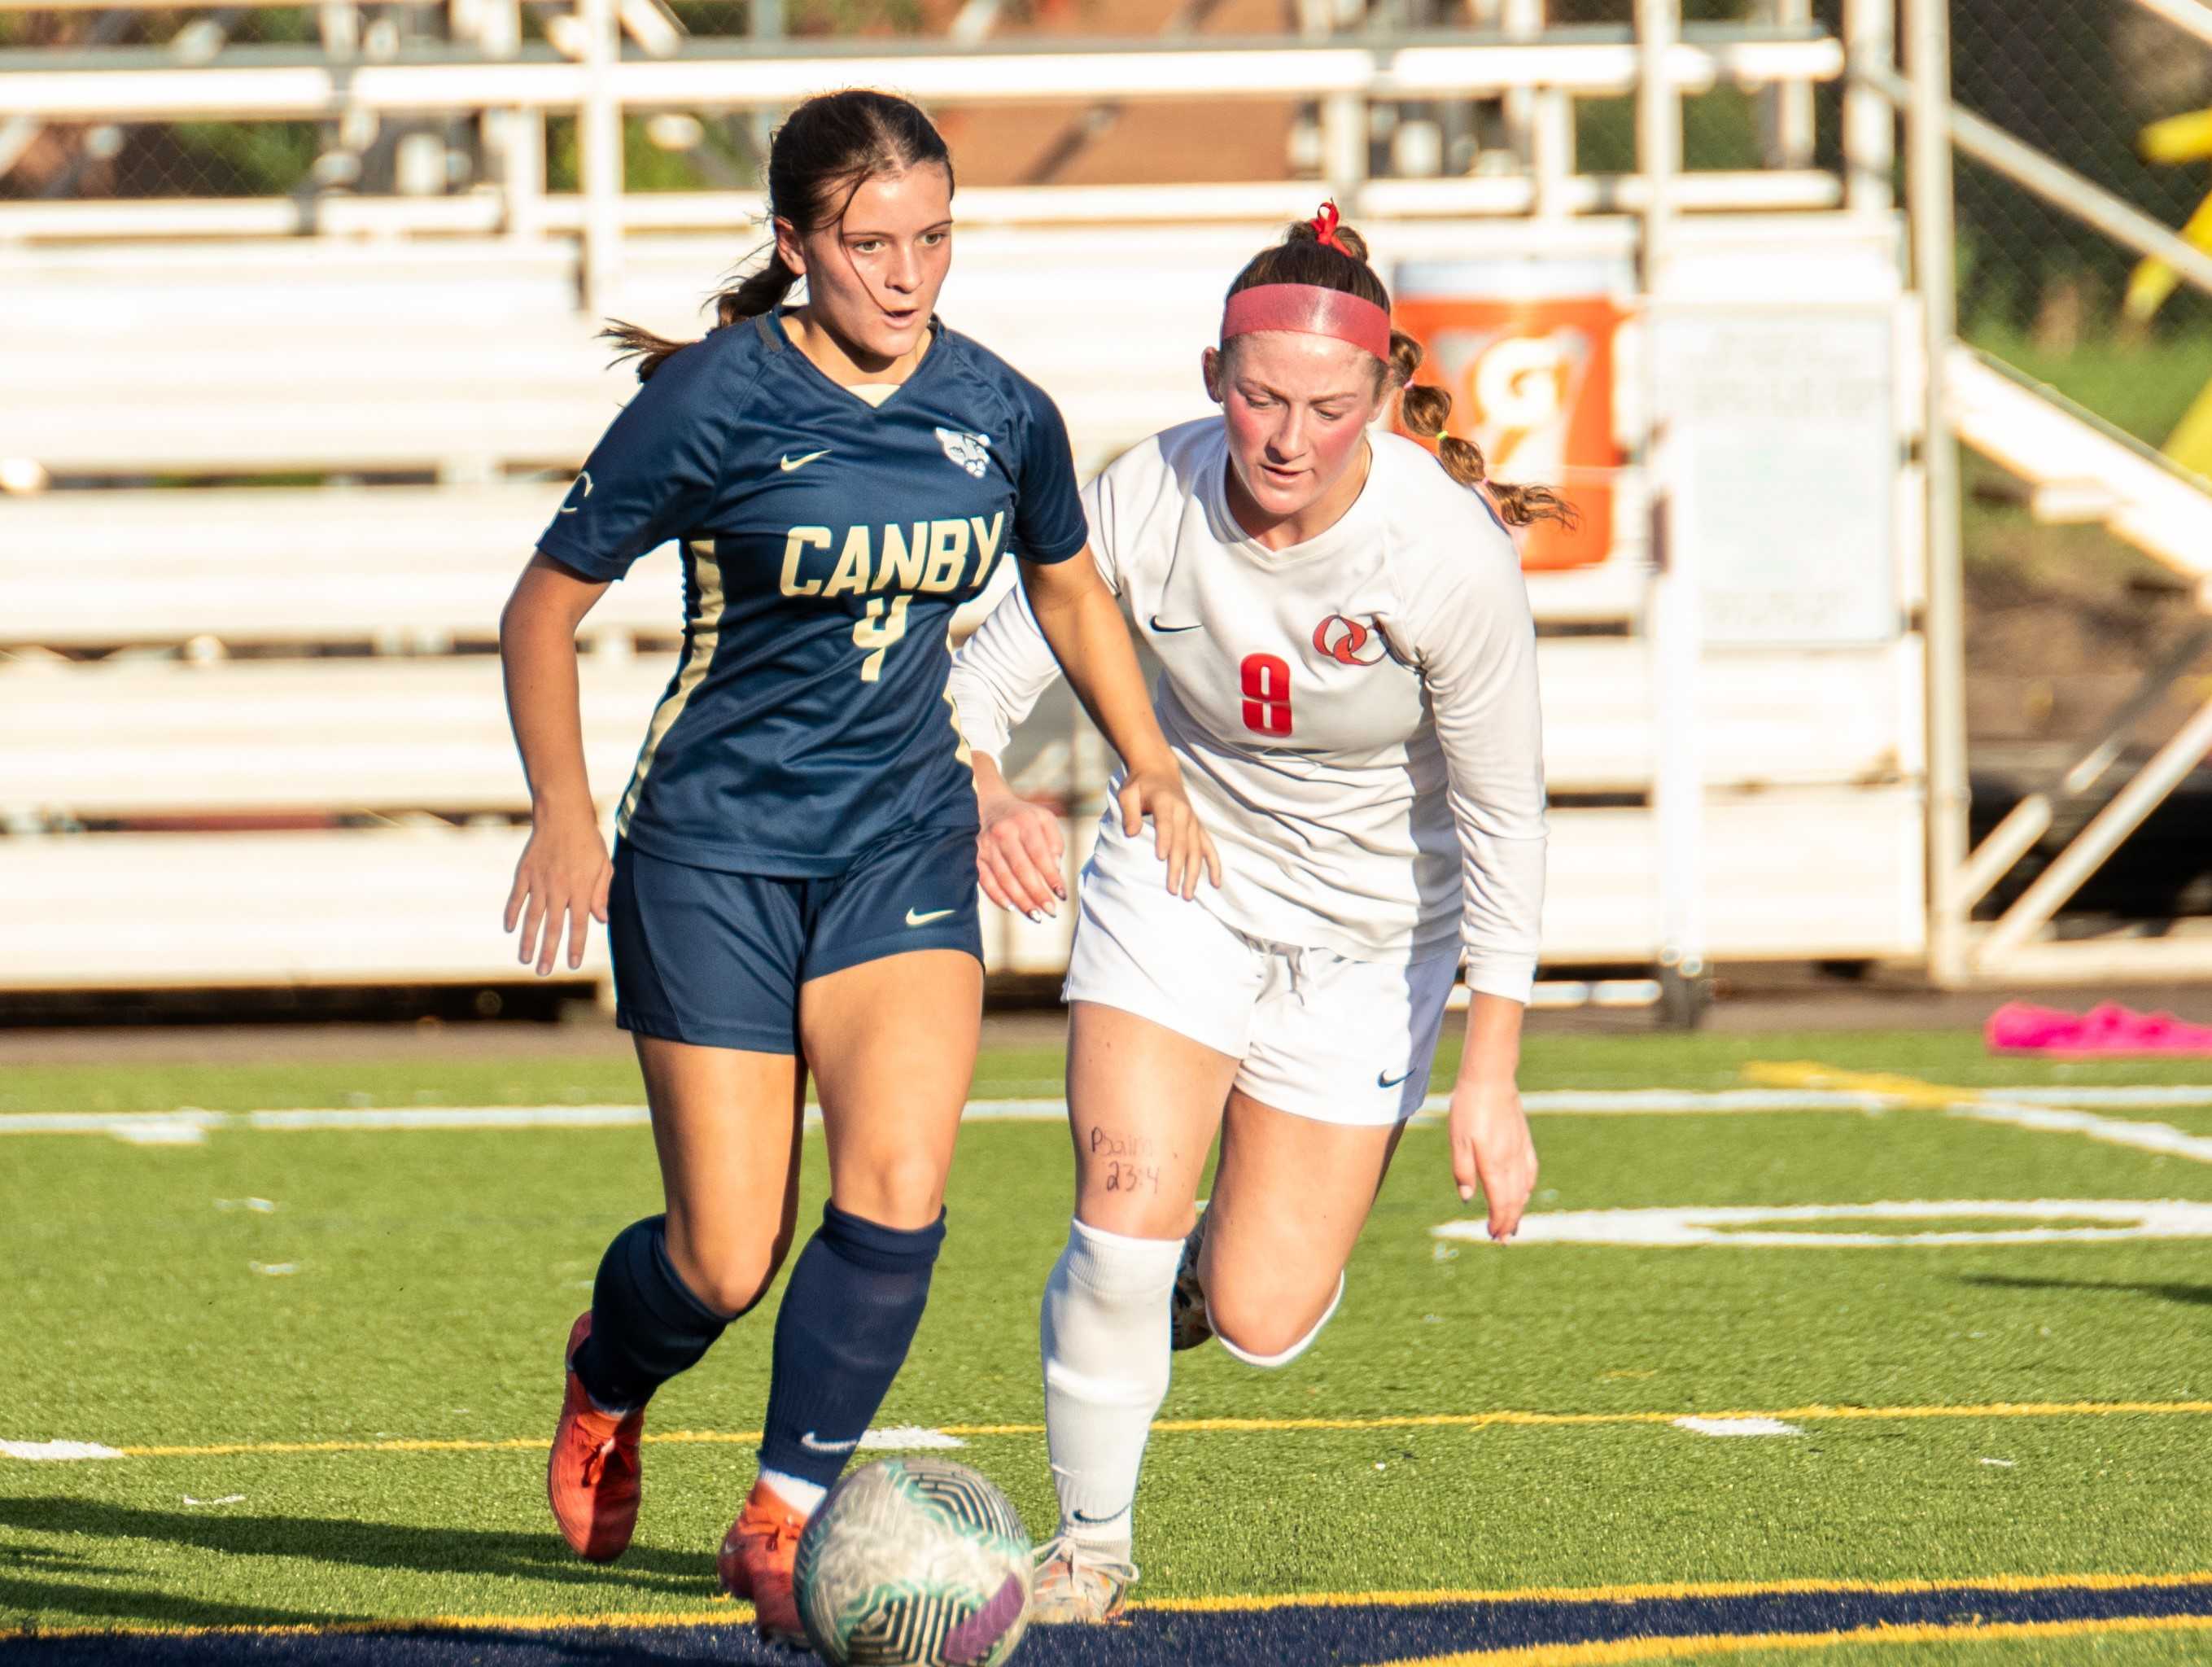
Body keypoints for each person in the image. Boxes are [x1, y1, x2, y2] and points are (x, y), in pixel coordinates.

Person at [497, 88, 1215, 1641]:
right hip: (714, 857)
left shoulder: (1000, 409)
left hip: (897, 839)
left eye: (934, 237)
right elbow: (541, 606)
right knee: (724, 1252)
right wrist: (561, 806)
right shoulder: (711, 406)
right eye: (868, 242)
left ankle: (782, 1517)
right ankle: (608, 1371)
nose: (906, 274)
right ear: (795, 245)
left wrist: (1144, 759)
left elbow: (1073, 590)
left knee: (896, 1196)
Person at [944, 203, 1568, 1621]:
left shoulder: (1447, 554)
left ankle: (1200, 1282)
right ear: (1212, 373)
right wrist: (983, 790)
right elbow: (977, 686)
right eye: (1259, 397)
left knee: (1262, 1313)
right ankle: (1088, 1554)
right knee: (1120, 1211)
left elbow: (1503, 815)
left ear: (1387, 400)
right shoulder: (1141, 496)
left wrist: (1493, 1071)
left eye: (1329, 408)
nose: (1288, 437)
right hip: (1181, 883)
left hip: (1369, 941)